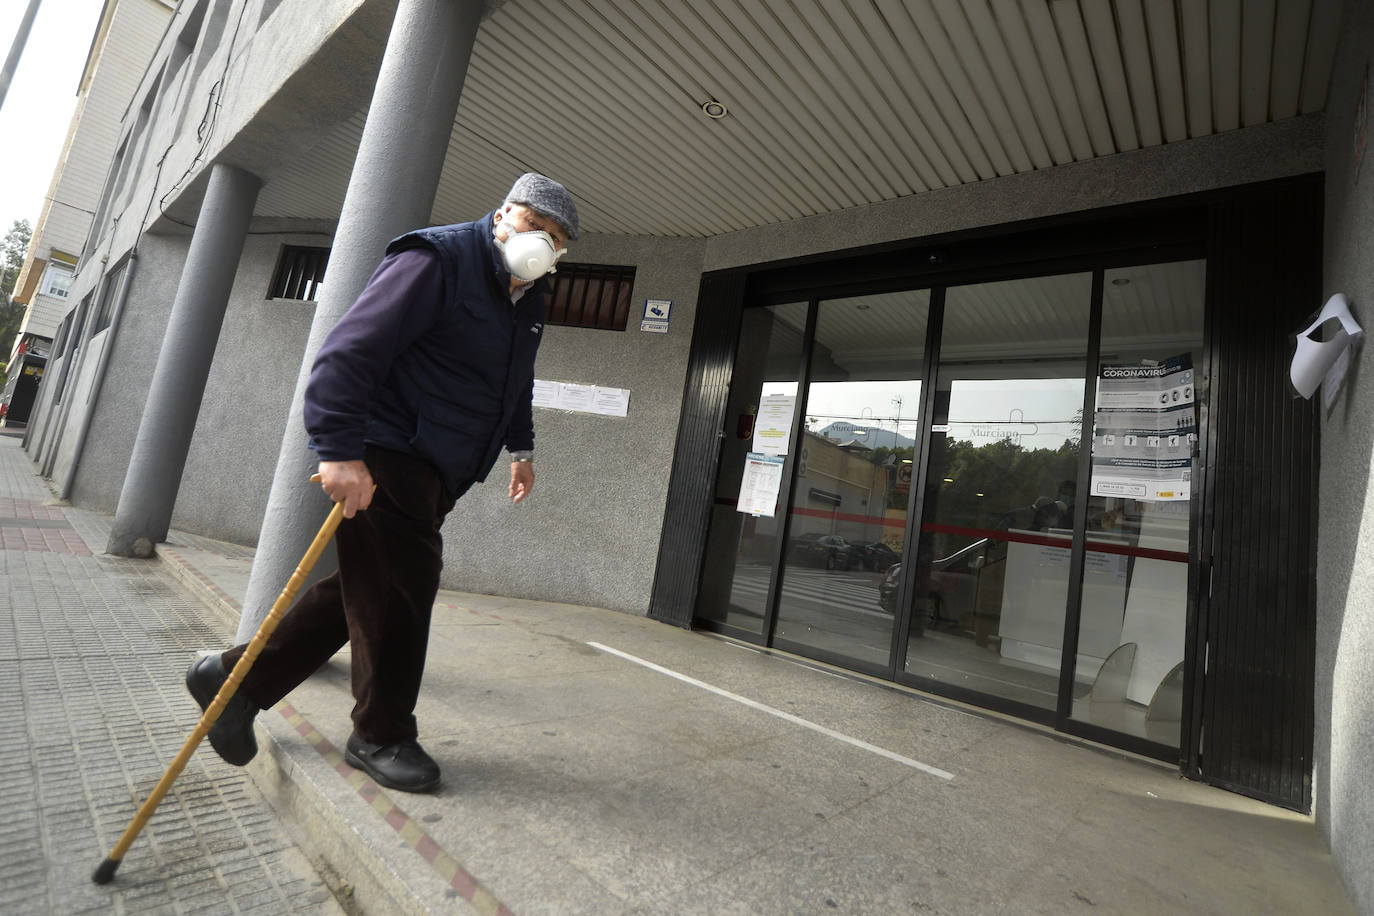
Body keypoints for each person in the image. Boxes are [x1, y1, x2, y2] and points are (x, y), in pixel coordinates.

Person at [184, 173, 578, 793]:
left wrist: (520, 448)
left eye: (556, 240)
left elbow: (515, 380)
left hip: (440, 467)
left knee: (366, 588)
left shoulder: (527, 297)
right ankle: (381, 732)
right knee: (402, 591)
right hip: (388, 450)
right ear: (502, 214)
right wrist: (339, 451)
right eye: (534, 224)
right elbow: (350, 350)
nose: (542, 242)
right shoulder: (438, 258)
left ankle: (232, 679)